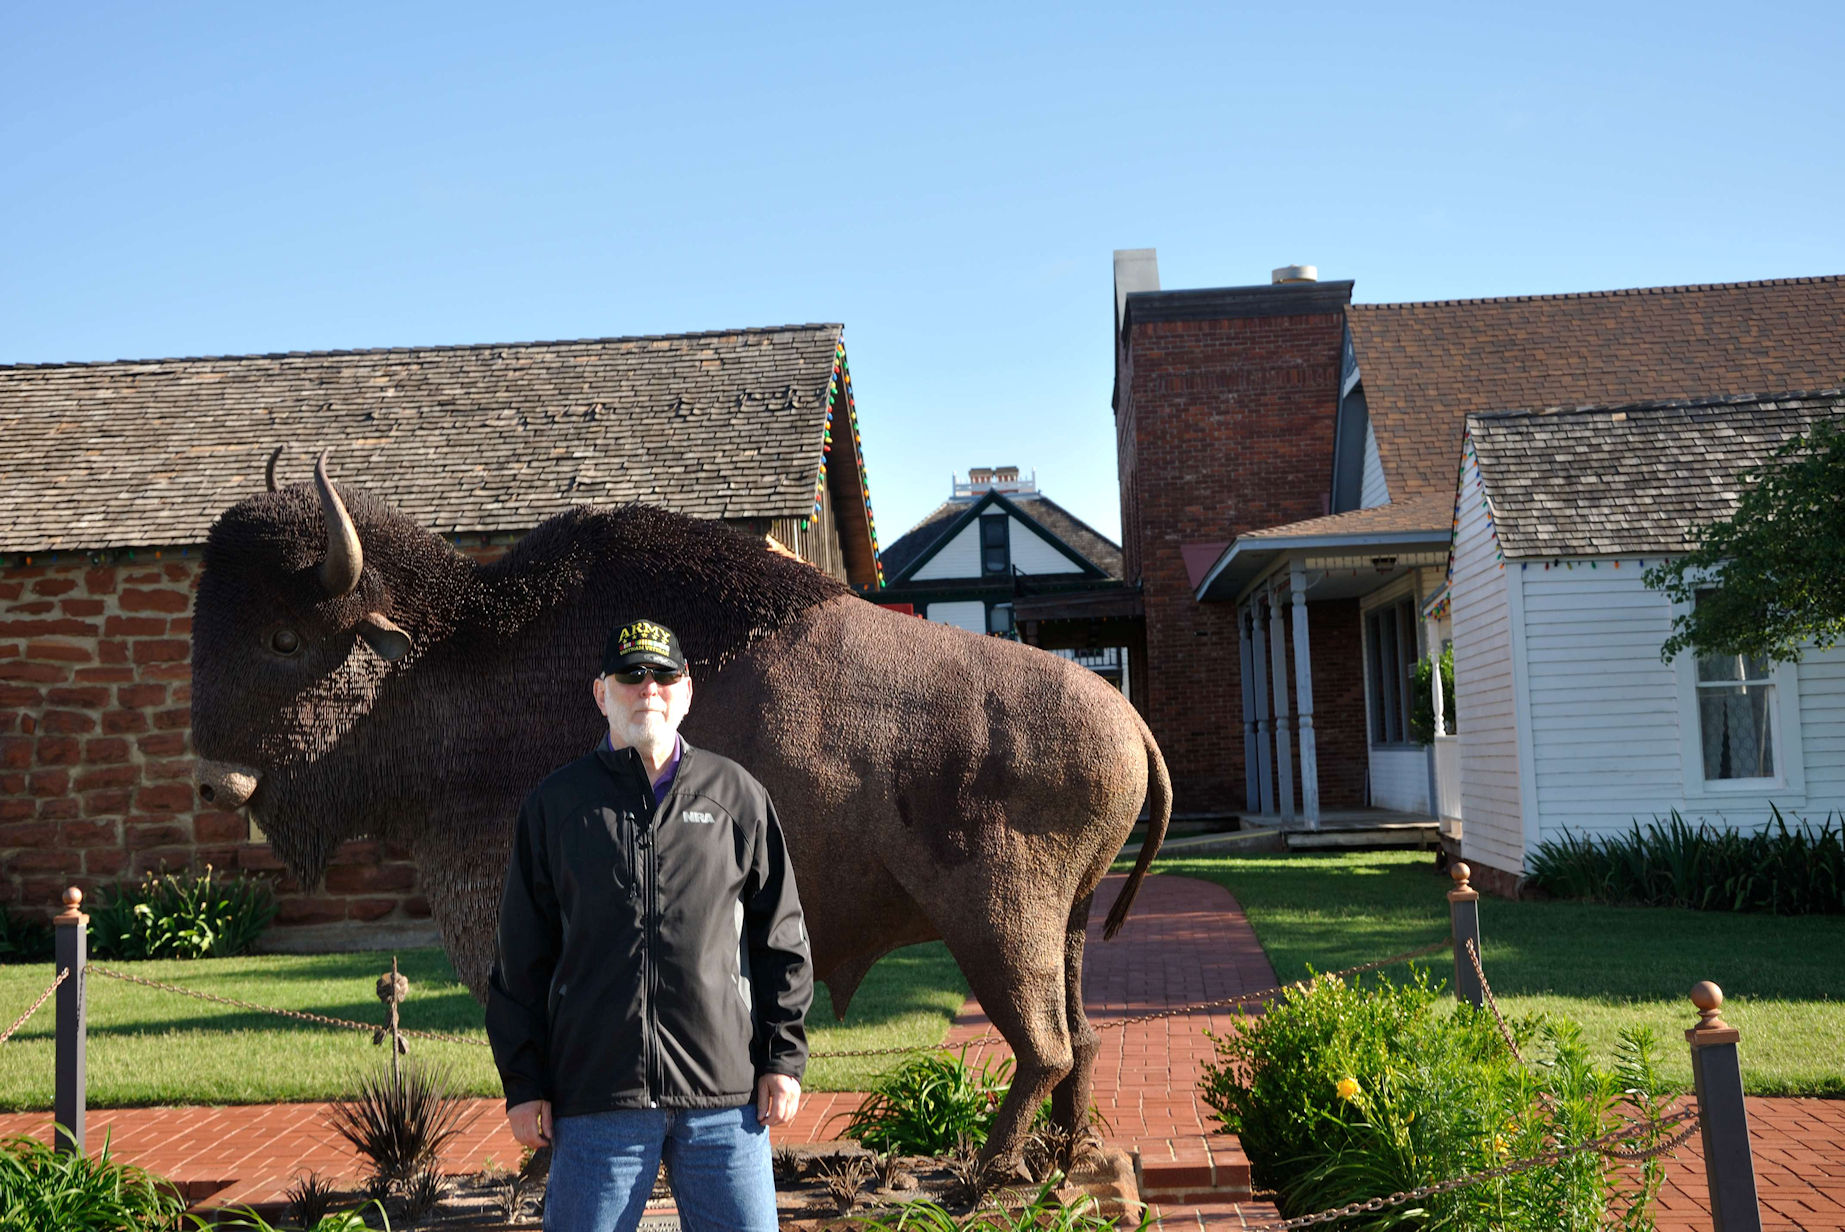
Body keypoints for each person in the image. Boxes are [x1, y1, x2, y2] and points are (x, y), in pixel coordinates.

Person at [485, 617, 812, 1232]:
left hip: (724, 1099)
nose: (648, 690)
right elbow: (521, 957)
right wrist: (525, 1082)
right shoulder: (557, 806)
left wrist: (783, 1058)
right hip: (597, 1097)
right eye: (630, 676)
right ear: (601, 694)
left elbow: (781, 941)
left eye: (663, 676)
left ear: (686, 692)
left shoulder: (736, 796)